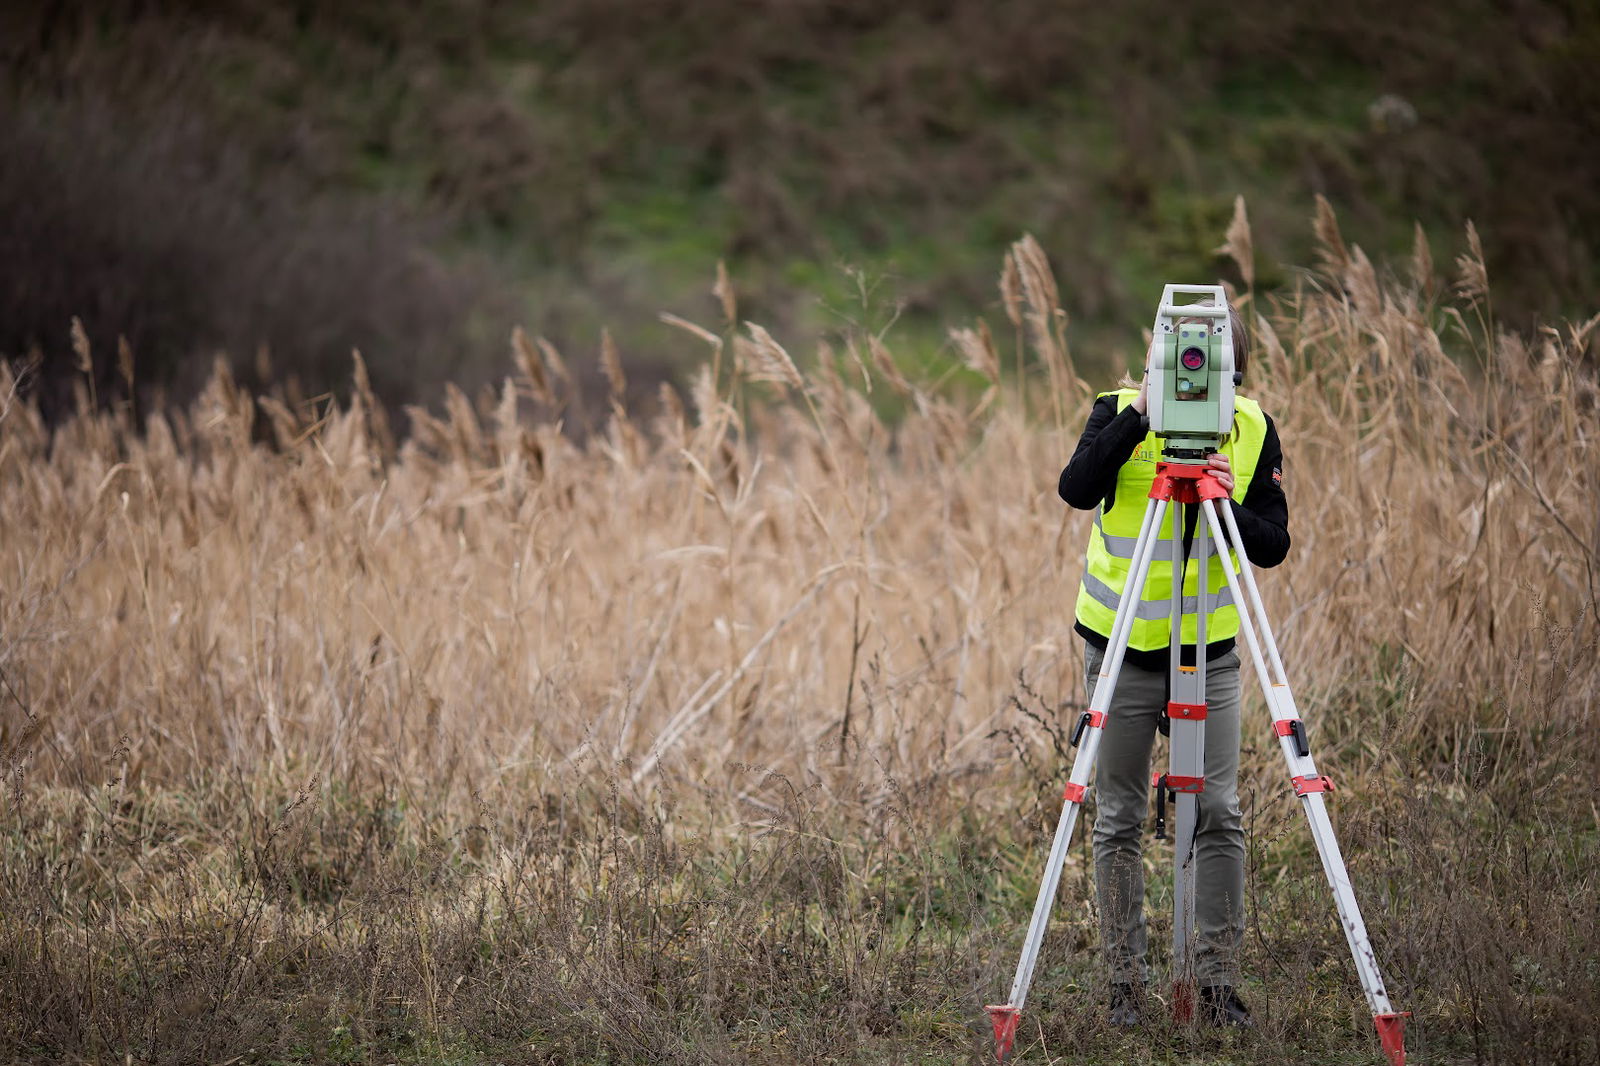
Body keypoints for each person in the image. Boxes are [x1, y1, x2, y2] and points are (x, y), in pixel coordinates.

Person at [1057, 302, 1289, 1028]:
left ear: (1236, 373)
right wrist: (1141, 422)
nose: (1193, 375)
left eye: (1210, 367)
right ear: (1153, 359)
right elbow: (1076, 487)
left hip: (1209, 655)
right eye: (1178, 360)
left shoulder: (1251, 429)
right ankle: (1124, 986)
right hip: (1122, 649)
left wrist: (1224, 493)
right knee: (1120, 815)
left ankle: (1216, 988)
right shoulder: (1116, 409)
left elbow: (1272, 543)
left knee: (1218, 811)